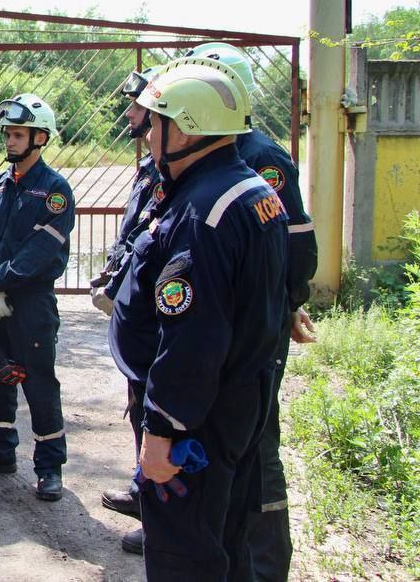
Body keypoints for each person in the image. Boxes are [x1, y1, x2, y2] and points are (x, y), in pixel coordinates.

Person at [111, 56, 289, 581]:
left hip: (199, 422)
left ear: (185, 128)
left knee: (184, 553)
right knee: (226, 542)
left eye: (155, 123)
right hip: (237, 403)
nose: (146, 135)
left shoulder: (203, 212)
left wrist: (163, 429)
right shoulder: (249, 191)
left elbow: (193, 337)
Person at [183, 41, 319, 580]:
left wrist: (285, 307)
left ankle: (264, 565)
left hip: (254, 329)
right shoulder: (209, 151)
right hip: (218, 324)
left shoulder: (262, 157)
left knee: (257, 443)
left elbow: (296, 246)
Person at [0, 94, 73, 501]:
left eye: (18, 134)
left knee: (38, 380)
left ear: (40, 138)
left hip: (31, 302)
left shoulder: (55, 190)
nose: (9, 141)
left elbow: (41, 251)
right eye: (7, 133)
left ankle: (49, 466)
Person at [94, 68, 166, 552]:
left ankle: (162, 516)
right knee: (140, 407)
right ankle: (146, 494)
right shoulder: (150, 168)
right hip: (138, 316)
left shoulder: (174, 172)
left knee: (160, 414)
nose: (129, 113)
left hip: (162, 319)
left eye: (137, 107)